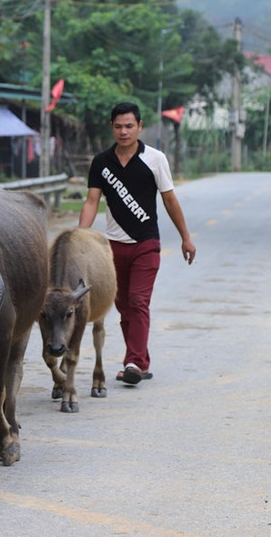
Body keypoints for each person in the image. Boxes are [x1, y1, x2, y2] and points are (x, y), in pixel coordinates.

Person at [78, 102, 196, 385]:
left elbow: (169, 200)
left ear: (140, 126)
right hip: (113, 248)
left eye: (129, 126)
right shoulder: (102, 162)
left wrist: (185, 237)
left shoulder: (155, 159)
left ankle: (133, 362)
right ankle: (140, 358)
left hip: (146, 243)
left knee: (138, 301)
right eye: (118, 126)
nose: (123, 131)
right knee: (124, 307)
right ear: (112, 127)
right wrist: (79, 238)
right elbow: (92, 201)